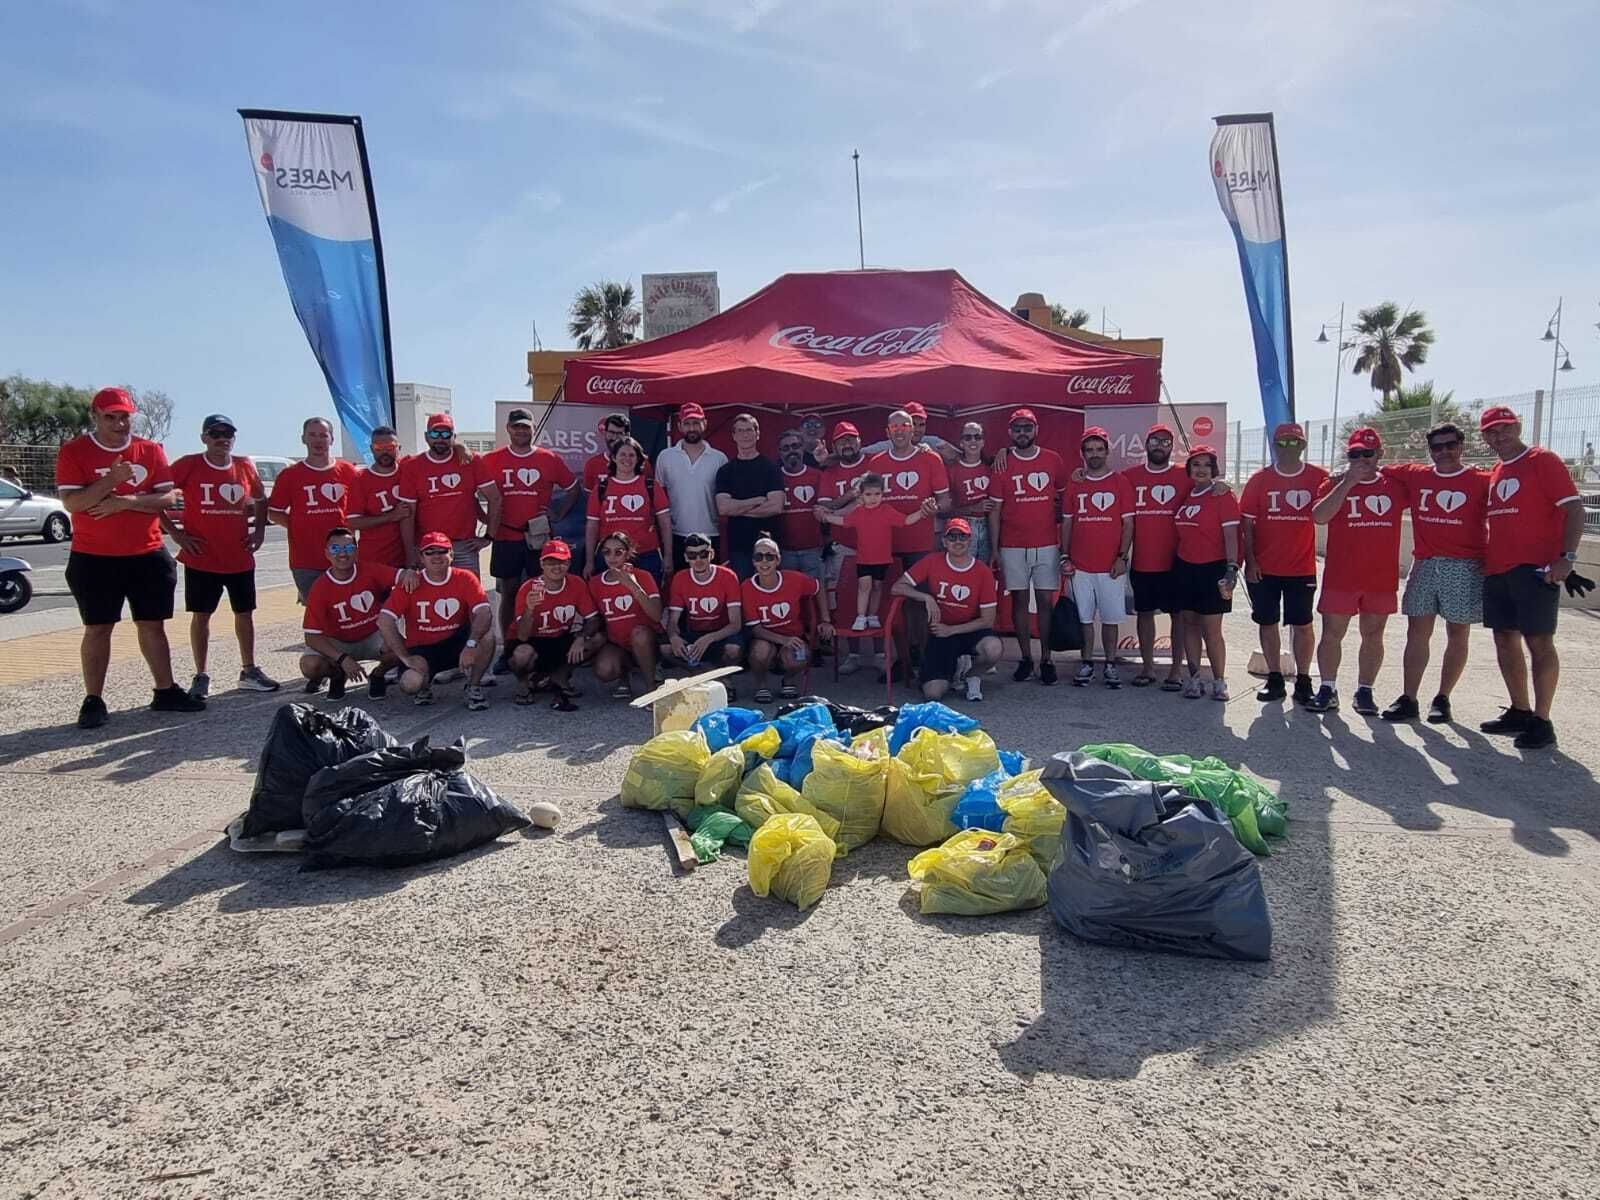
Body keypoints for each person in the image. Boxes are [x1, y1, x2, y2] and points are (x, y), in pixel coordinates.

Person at [56, 386, 203, 728]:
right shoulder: (75, 452)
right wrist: (112, 480)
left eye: (125, 417)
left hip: (146, 553)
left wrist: (126, 502)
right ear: (95, 416)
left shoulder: (149, 451)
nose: (120, 424)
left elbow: (168, 499)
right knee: (98, 628)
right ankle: (93, 699)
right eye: (111, 417)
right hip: (94, 557)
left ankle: (164, 690)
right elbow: (73, 503)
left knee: (152, 625)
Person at [1477, 405, 1584, 749]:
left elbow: (1575, 509)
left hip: (1535, 569)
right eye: (1492, 431)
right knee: (1504, 639)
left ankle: (1542, 719)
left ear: (1518, 426)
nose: (1500, 435)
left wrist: (1566, 558)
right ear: (1485, 438)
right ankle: (1520, 710)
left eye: (1505, 427)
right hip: (1498, 569)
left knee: (1538, 642)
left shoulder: (1543, 460)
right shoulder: (1496, 471)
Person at [1377, 422, 1489, 723]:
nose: (1444, 452)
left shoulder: (1481, 480)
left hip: (1465, 565)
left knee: (1457, 633)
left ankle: (1442, 698)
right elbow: (1377, 468)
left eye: (1450, 445)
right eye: (1437, 447)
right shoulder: (1417, 475)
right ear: (1430, 450)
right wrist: (1340, 474)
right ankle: (1409, 698)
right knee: (1417, 633)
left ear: (1461, 446)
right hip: (1425, 564)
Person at [165, 412, 279, 699]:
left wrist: (260, 532)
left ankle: (249, 669)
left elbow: (261, 500)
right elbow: (156, 495)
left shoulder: (244, 466)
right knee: (201, 616)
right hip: (202, 557)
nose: (222, 439)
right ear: (204, 437)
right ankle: (201, 674)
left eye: (227, 434)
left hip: (239, 556)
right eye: (215, 434)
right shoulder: (189, 465)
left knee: (245, 614)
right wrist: (175, 533)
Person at [1305, 428, 1407, 715]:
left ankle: (1365, 690)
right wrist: (1348, 483)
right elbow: (1319, 517)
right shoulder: (1335, 485)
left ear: (1379, 454)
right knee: (1332, 633)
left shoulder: (1395, 486)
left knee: (1373, 634)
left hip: (1380, 578)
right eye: (1355, 454)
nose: (1362, 459)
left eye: (1368, 453)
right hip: (1341, 576)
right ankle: (1327, 687)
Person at [1240, 421, 1329, 705]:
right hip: (1263, 568)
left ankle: (1303, 680)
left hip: (1301, 568)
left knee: (1302, 624)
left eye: (1294, 442)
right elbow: (1248, 525)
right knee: (1268, 623)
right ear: (1274, 446)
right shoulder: (1259, 480)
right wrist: (1250, 561)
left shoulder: (1318, 477)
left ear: (1303, 445)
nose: (1288, 447)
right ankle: (1275, 679)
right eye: (1282, 443)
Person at [480, 407, 576, 664]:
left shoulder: (549, 458)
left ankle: (537, 642)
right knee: (509, 592)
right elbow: (471, 494)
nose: (521, 431)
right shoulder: (491, 459)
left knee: (541, 589)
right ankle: (509, 646)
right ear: (508, 429)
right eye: (516, 426)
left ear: (534, 428)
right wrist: (486, 521)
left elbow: (573, 488)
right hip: (506, 535)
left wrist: (558, 513)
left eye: (526, 426)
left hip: (538, 536)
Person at [867, 409, 951, 676]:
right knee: (888, 603)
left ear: (913, 429)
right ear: (887, 432)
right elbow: (866, 499)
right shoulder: (878, 462)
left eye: (906, 425)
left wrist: (933, 508)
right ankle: (899, 659)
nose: (901, 430)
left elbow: (946, 501)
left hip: (919, 543)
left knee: (918, 604)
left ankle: (921, 657)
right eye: (895, 427)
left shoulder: (930, 459)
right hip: (885, 543)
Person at [986, 407, 1065, 685]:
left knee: (1045, 603)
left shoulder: (1053, 459)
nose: (1022, 433)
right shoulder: (1002, 464)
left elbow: (1065, 499)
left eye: (1027, 428)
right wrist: (995, 548)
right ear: (1010, 432)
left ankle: (1046, 659)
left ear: (1036, 430)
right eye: (1017, 428)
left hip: (1046, 544)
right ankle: (1025, 658)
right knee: (1018, 602)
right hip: (1012, 545)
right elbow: (994, 510)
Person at [377, 530, 495, 709]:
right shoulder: (411, 582)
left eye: (442, 551)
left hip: (457, 641)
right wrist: (405, 657)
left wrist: (471, 644)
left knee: (487, 637)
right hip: (423, 648)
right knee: (410, 683)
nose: (436, 556)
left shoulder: (465, 577)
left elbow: (484, 612)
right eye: (430, 552)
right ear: (421, 557)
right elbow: (384, 620)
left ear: (452, 554)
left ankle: (474, 686)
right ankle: (424, 688)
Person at [891, 518, 1002, 701]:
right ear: (944, 541)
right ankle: (951, 670)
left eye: (962, 537)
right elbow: (897, 587)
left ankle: (971, 674)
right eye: (952, 537)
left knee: (994, 648)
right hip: (940, 633)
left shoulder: (982, 571)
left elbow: (988, 620)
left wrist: (951, 630)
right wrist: (925, 597)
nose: (957, 542)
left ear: (969, 540)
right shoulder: (932, 561)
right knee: (932, 694)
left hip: (968, 629)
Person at [300, 526, 415, 700]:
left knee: (403, 648)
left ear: (356, 551)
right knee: (310, 665)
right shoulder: (320, 587)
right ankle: (337, 675)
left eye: (348, 548)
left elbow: (403, 576)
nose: (342, 554)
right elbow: (312, 637)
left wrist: (410, 574)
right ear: (327, 553)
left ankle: (378, 675)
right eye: (335, 549)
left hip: (371, 636)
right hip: (338, 641)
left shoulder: (370, 570)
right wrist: (342, 659)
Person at [1061, 426, 1135, 687]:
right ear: (1082, 454)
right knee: (1084, 618)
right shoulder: (1076, 482)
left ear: (1107, 451)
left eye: (1099, 449)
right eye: (1089, 450)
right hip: (1080, 565)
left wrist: (1121, 557)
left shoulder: (1120, 482)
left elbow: (1128, 525)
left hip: (1110, 566)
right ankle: (1087, 663)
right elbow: (1067, 523)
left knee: (1111, 618)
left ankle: (1111, 664)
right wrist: (1064, 556)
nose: (1094, 454)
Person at [818, 474, 936, 631]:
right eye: (868, 494)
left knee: (877, 587)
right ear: (861, 495)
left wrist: (922, 513)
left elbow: (905, 521)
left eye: (877, 494)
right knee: (864, 585)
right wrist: (826, 517)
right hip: (864, 559)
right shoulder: (858, 512)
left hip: (882, 559)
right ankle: (861, 617)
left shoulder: (887, 510)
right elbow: (844, 522)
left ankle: (872, 615)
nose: (873, 498)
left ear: (882, 494)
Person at [1172, 445, 1240, 700]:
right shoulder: (1187, 495)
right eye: (1196, 465)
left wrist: (1232, 568)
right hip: (1185, 567)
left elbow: (1231, 535)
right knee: (1188, 623)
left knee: (1212, 630)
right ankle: (1194, 678)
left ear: (1214, 469)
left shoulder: (1222, 495)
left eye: (1206, 465)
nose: (1201, 470)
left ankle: (1219, 681)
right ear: (1189, 469)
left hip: (1213, 568)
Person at [269, 416, 361, 602]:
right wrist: (295, 525)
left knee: (347, 610)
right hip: (306, 560)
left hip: (344, 556)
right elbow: (274, 511)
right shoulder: (290, 475)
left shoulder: (348, 471)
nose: (318, 440)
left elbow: (362, 507)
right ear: (303, 438)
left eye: (323, 435)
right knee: (317, 615)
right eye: (312, 435)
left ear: (331, 439)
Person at [396, 412, 500, 577]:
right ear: (426, 436)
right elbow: (407, 514)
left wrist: (489, 536)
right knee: (431, 598)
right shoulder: (412, 466)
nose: (440, 438)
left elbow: (494, 497)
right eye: (435, 433)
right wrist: (410, 552)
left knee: (469, 598)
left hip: (465, 547)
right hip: (428, 547)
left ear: (454, 436)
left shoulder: (469, 461)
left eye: (446, 434)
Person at [1122, 423, 1186, 691]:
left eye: (1165, 442)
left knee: (1178, 616)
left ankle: (1175, 670)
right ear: (1146, 444)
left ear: (1172, 447)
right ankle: (1147, 668)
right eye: (1155, 441)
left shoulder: (1186, 475)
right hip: (1142, 560)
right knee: (1144, 614)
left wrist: (1220, 487)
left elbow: (1209, 489)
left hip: (1178, 560)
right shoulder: (1129, 476)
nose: (1160, 446)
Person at [506, 539, 599, 712]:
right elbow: (522, 636)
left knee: (597, 638)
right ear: (541, 564)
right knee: (521, 654)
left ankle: (559, 677)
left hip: (559, 637)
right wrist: (529, 609)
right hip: (531, 640)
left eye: (562, 562)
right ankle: (523, 683)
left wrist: (580, 637)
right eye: (551, 562)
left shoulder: (577, 583)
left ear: (569, 563)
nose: (557, 567)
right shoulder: (528, 587)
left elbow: (593, 619)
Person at [741, 535, 833, 702]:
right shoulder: (747, 587)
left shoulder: (794, 579)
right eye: (759, 557)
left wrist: (825, 620)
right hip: (765, 638)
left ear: (778, 560)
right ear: (753, 561)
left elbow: (818, 588)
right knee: (759, 652)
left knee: (802, 654)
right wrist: (783, 640)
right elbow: (756, 629)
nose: (764, 562)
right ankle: (761, 685)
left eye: (770, 556)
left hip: (793, 636)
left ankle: (788, 680)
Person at [817, 421, 875, 674]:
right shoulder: (829, 473)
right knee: (848, 599)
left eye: (851, 439)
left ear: (860, 441)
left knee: (877, 599)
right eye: (841, 441)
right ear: (834, 446)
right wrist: (851, 496)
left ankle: (881, 653)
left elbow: (870, 504)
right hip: (844, 546)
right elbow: (821, 510)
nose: (847, 444)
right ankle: (852, 654)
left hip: (876, 542)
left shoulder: (874, 463)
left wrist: (836, 510)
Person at [586, 436, 672, 585]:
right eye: (622, 454)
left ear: (639, 459)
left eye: (632, 455)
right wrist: (589, 561)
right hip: (609, 556)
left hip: (646, 555)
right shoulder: (601, 488)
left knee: (649, 602)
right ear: (613, 458)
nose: (627, 459)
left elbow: (665, 523)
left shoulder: (651, 486)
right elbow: (592, 527)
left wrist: (668, 556)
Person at [589, 531, 664, 699]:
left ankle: (651, 687)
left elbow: (657, 615)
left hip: (647, 639)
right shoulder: (595, 583)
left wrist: (633, 585)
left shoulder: (643, 576)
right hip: (618, 643)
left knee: (639, 634)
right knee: (604, 670)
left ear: (628, 553)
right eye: (606, 552)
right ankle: (625, 675)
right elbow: (594, 618)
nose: (612, 557)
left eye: (618, 552)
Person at [654, 403, 728, 569]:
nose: (692, 428)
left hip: (710, 533)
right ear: (679, 426)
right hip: (676, 534)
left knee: (709, 588)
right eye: (687, 423)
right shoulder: (665, 457)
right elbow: (658, 499)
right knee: (681, 586)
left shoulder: (719, 458)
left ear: (705, 424)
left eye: (696, 423)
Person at [715, 412, 785, 578]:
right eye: (740, 431)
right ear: (733, 436)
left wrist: (738, 508)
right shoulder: (726, 471)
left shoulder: (770, 468)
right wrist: (757, 501)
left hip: (768, 544)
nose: (745, 435)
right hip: (739, 546)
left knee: (770, 592)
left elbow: (776, 506)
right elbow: (723, 508)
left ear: (757, 433)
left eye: (749, 430)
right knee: (744, 591)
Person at [665, 532, 744, 673]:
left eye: (703, 554)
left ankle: (713, 675)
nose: (698, 559)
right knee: (666, 648)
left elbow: (736, 624)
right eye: (692, 555)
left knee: (733, 650)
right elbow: (673, 621)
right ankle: (710, 675)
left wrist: (709, 638)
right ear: (685, 557)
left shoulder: (728, 576)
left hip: (722, 633)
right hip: (694, 632)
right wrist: (673, 636)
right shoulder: (680, 578)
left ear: (712, 554)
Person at [347, 425, 413, 570]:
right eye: (378, 447)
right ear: (371, 448)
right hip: (374, 561)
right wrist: (391, 516)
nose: (384, 452)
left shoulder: (409, 468)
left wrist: (459, 446)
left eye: (390, 447)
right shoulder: (361, 479)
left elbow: (435, 454)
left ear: (399, 448)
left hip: (408, 559)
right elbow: (352, 522)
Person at [776, 429, 825, 578]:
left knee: (817, 591)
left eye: (795, 446)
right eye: (786, 448)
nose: (791, 451)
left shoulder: (818, 475)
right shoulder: (774, 476)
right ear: (779, 452)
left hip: (814, 549)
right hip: (784, 551)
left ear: (802, 448)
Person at [945, 421, 993, 565]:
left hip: (990, 526)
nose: (973, 441)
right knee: (962, 571)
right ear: (961, 443)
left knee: (984, 572)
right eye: (968, 438)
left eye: (977, 437)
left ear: (983, 442)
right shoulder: (951, 470)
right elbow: (943, 511)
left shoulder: (992, 466)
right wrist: (972, 508)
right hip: (963, 527)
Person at [858, 402, 958, 463]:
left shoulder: (932, 442)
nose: (917, 430)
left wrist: (948, 457)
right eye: (913, 424)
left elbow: (959, 455)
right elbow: (861, 453)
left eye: (921, 425)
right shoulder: (888, 445)